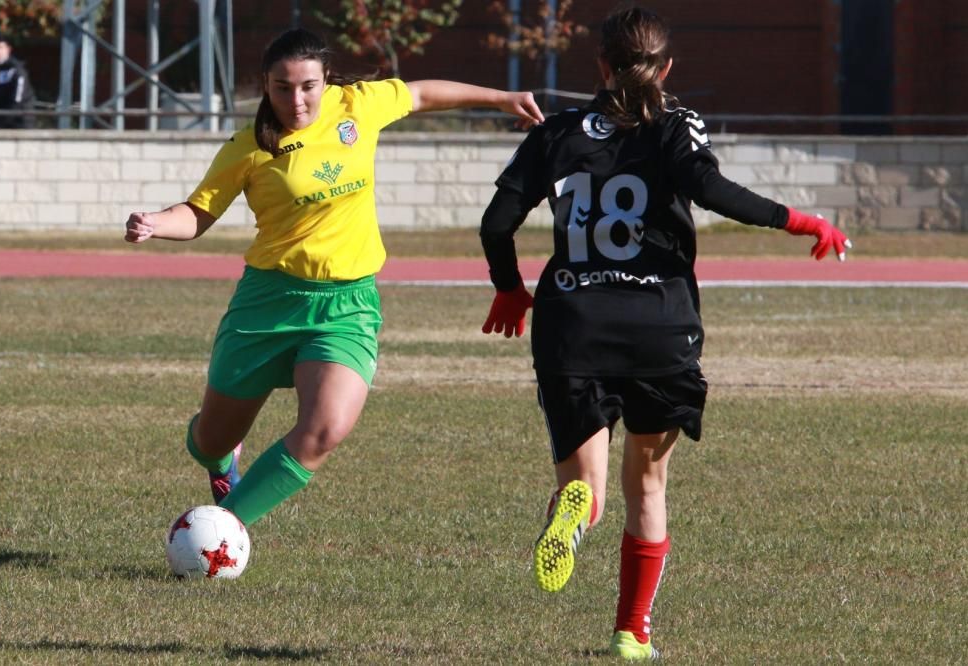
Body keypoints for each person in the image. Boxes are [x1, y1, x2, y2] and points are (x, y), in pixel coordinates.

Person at [479, 4, 850, 661]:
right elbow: (713, 190)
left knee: (584, 487)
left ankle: (575, 510)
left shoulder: (559, 131)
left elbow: (496, 222)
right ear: (667, 68)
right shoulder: (676, 129)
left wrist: (510, 287)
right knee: (646, 486)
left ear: (599, 65)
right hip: (659, 327)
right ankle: (631, 634)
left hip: (573, 322)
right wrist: (801, 221)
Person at [123, 28, 543, 531]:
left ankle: (221, 531)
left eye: (307, 86)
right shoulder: (248, 148)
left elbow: (422, 93)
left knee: (324, 431)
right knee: (210, 439)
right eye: (282, 88)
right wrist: (154, 223)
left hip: (347, 304)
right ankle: (221, 460)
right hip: (269, 303)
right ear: (265, 85)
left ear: (326, 81)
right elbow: (197, 213)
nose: (296, 100)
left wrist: (503, 99)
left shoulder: (356, 106)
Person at [0, 31, 35, 129]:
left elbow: (17, 100)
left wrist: (2, 121)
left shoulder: (17, 70)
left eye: (0, 47)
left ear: (8, 49)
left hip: (20, 122)